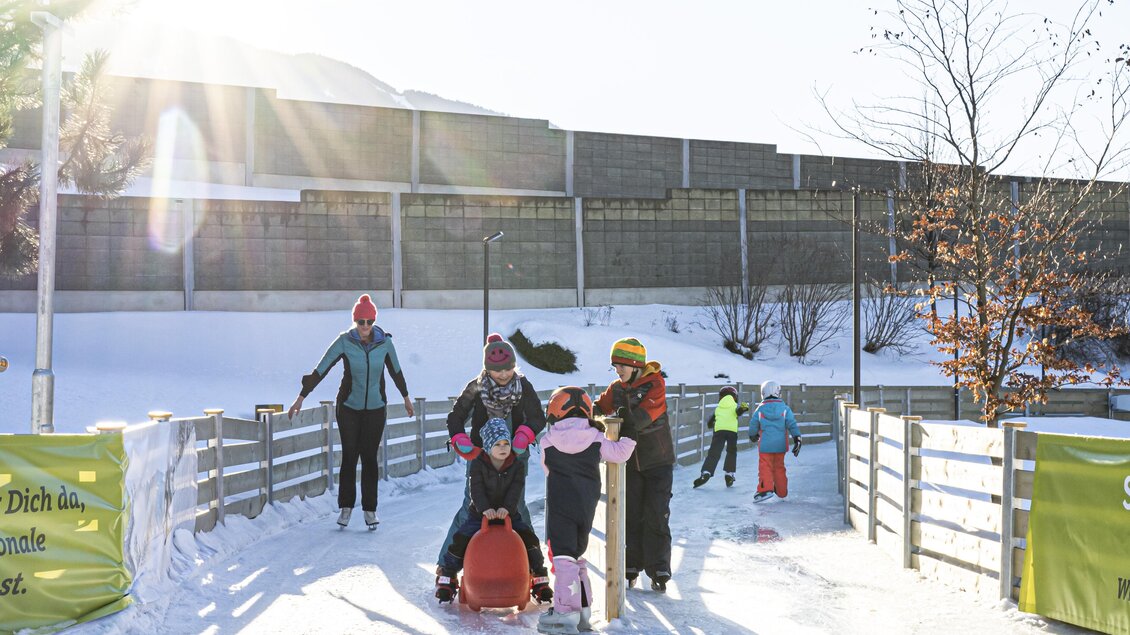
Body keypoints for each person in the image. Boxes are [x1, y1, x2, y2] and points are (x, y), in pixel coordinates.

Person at [286, 294, 413, 530]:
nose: (365, 326)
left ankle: (370, 510)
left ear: (374, 321)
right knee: (350, 456)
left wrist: (406, 398)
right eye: (360, 322)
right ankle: (346, 508)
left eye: (369, 322)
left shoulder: (384, 343)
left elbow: (396, 370)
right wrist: (300, 398)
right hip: (348, 409)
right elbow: (321, 369)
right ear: (355, 321)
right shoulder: (344, 342)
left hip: (375, 408)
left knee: (369, 458)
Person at [437, 333, 547, 571]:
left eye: (508, 368)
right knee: (471, 507)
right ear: (487, 369)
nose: (504, 374)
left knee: (516, 506)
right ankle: (446, 564)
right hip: (481, 460)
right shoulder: (476, 387)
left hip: (515, 458)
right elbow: (455, 417)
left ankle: (531, 566)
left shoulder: (523, 386)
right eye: (498, 370)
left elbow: (539, 417)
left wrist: (524, 435)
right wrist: (460, 439)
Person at [536, 386, 637, 634]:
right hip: (586, 507)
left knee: (563, 558)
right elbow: (621, 453)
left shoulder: (548, 442)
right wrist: (629, 431)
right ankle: (583, 610)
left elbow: (547, 470)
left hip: (561, 507)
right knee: (577, 557)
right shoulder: (595, 438)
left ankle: (565, 612)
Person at [434, 418, 552, 604]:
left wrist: (507, 508)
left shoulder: (516, 465)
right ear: (488, 446)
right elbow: (477, 490)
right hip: (480, 513)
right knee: (461, 538)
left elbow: (516, 490)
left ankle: (538, 575)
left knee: (528, 537)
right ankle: (448, 575)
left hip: (509, 514)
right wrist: (485, 509)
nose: (503, 447)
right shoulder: (478, 464)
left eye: (506, 443)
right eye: (498, 444)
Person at [593, 337, 675, 593]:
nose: (618, 371)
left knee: (656, 514)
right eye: (615, 366)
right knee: (631, 514)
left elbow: (641, 418)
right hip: (630, 463)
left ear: (635, 365)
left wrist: (616, 419)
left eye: (621, 366)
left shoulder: (655, 384)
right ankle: (631, 565)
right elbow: (597, 407)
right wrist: (586, 414)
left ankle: (659, 568)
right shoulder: (616, 388)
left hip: (657, 461)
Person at [748, 380, 802, 503]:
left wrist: (752, 435)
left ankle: (765, 489)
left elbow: (753, 424)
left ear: (763, 393)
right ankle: (782, 491)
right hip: (780, 445)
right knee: (779, 467)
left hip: (765, 445)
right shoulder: (785, 409)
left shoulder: (760, 409)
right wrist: (797, 438)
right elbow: (792, 424)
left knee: (765, 466)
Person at [693, 386, 750, 489]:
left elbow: (710, 423)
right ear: (735, 397)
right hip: (732, 432)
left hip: (719, 431)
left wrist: (712, 424)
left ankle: (706, 472)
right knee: (731, 452)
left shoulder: (718, 408)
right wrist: (744, 407)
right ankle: (729, 473)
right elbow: (739, 411)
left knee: (714, 452)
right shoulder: (734, 405)